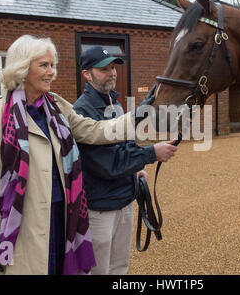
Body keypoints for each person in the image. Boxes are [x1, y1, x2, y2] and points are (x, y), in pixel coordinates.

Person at [0, 35, 153, 275]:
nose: (51, 72)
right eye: (44, 65)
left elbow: (94, 130)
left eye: (53, 65)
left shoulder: (57, 106)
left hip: (63, 219)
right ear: (23, 68)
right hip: (23, 228)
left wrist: (137, 116)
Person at [73, 46, 177, 275]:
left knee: (119, 267)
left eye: (113, 67)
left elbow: (126, 144)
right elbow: (105, 164)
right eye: (104, 69)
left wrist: (136, 170)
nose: (112, 73)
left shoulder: (115, 103)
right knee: (99, 270)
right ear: (87, 75)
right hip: (100, 208)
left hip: (124, 199)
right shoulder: (81, 111)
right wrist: (151, 154)